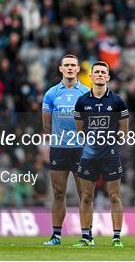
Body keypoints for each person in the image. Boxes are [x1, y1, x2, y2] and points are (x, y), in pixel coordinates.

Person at [73, 61, 130, 248]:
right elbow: (80, 129)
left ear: (107, 77)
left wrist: (112, 144)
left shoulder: (117, 101)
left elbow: (124, 129)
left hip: (110, 156)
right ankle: (86, 237)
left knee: (114, 196)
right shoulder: (82, 101)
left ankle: (116, 238)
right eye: (96, 72)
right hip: (89, 156)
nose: (99, 74)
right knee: (86, 197)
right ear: (91, 76)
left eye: (102, 72)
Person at [42, 55, 89, 245]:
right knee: (58, 193)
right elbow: (46, 125)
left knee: (84, 194)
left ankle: (86, 235)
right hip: (59, 149)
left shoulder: (87, 93)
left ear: (78, 69)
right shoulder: (51, 94)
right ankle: (56, 235)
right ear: (61, 69)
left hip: (81, 149)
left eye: (73, 65)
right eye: (66, 65)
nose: (69, 68)